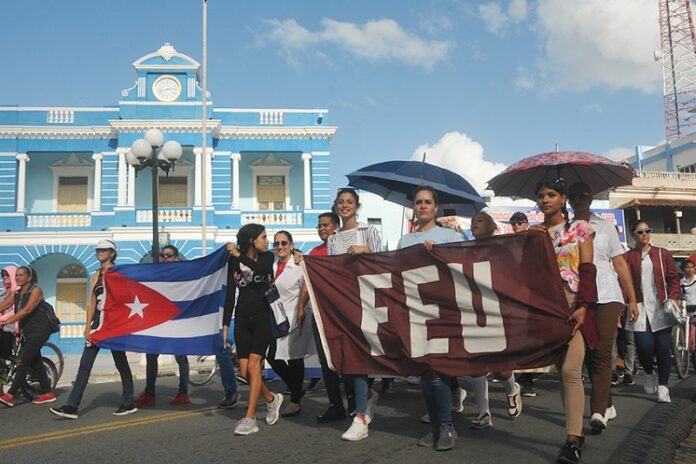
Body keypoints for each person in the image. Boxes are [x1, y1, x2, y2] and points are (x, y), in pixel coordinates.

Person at [533, 177, 596, 464]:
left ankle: (572, 441)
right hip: (548, 309)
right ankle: (575, 430)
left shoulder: (580, 229)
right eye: (541, 196)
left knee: (572, 370)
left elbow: (588, 269)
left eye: (551, 194)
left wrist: (583, 306)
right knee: (562, 372)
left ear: (563, 199)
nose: (544, 200)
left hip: (575, 306)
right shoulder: (534, 235)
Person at [568, 182, 639, 432]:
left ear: (591, 197)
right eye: (574, 195)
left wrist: (631, 299)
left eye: (583, 195)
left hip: (608, 295)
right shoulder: (565, 229)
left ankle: (597, 412)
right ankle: (607, 402)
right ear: (568, 199)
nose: (579, 199)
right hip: (578, 297)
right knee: (587, 351)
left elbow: (619, 264)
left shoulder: (605, 226)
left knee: (603, 350)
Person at [398, 186, 462, 451]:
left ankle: (446, 426)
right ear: (414, 207)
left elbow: (464, 268)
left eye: (427, 202)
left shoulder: (450, 236)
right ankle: (437, 426)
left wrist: (442, 254)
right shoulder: (404, 240)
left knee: (437, 373)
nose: (422, 206)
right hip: (415, 312)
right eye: (418, 202)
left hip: (443, 312)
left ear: (436, 207)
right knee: (425, 374)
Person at [50, 240, 137, 419]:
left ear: (112, 253)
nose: (99, 252)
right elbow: (91, 301)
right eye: (98, 250)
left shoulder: (119, 273)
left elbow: (125, 300)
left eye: (104, 250)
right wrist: (87, 325)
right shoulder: (96, 274)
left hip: (114, 327)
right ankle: (72, 406)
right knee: (84, 365)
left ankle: (128, 402)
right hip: (98, 326)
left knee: (120, 363)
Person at [328, 188, 381, 442]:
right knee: (345, 358)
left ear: (357, 206)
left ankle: (360, 416)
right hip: (341, 303)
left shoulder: (369, 231)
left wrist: (366, 251)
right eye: (341, 202)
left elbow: (383, 264)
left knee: (359, 357)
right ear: (336, 207)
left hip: (365, 300)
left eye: (350, 202)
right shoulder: (332, 238)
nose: (345, 205)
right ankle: (368, 396)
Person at [226, 224, 283, 436]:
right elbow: (230, 294)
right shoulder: (234, 261)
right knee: (244, 372)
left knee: (253, 366)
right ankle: (271, 399)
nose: (267, 241)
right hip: (242, 318)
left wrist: (239, 254)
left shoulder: (267, 258)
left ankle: (250, 419)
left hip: (263, 317)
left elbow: (261, 271)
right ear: (252, 239)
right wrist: (225, 325)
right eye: (264, 237)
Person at [468, 212, 522, 429]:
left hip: (499, 312)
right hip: (472, 310)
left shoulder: (502, 250)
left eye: (480, 221)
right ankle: (483, 412)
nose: (474, 223)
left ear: (491, 227)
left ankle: (511, 389)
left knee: (500, 368)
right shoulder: (463, 250)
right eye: (473, 221)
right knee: (476, 362)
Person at [623, 220, 680, 403]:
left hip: (660, 308)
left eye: (647, 231)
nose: (644, 235)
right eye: (640, 232)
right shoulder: (627, 257)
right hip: (638, 308)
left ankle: (663, 386)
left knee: (663, 348)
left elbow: (673, 279)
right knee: (644, 346)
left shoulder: (662, 254)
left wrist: (672, 296)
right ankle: (648, 372)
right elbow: (623, 282)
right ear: (633, 235)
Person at [297, 212, 347, 423]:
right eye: (319, 226)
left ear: (336, 227)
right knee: (327, 360)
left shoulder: (344, 249)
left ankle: (358, 403)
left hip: (343, 313)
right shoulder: (313, 253)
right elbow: (307, 283)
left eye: (326, 225)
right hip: (320, 314)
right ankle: (336, 404)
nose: (321, 229)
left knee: (347, 357)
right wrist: (301, 306)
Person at [134, 245, 191, 407]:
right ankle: (149, 393)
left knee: (181, 357)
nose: (166, 258)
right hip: (159, 322)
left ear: (177, 258)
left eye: (170, 255)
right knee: (151, 356)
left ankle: (183, 393)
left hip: (177, 322)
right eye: (164, 256)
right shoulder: (157, 273)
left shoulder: (183, 275)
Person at [267, 230, 315, 417]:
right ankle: (296, 387)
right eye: (276, 243)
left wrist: (302, 307)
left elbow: (307, 286)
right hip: (277, 318)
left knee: (295, 358)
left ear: (292, 245)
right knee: (272, 356)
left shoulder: (299, 265)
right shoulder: (271, 267)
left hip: (296, 316)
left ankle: (295, 400)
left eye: (284, 243)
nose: (280, 247)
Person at [0, 266, 57, 407]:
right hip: (27, 332)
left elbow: (27, 310)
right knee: (35, 361)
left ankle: (10, 395)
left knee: (23, 360)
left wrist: (7, 321)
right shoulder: (16, 293)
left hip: (40, 331)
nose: (18, 277)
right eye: (17, 275)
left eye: (21, 275)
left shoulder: (36, 290)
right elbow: (3, 305)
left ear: (29, 277)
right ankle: (48, 392)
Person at [0, 267, 18, 360]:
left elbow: (14, 312)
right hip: (3, 326)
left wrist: (2, 320)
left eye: (7, 275)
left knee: (4, 351)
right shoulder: (3, 292)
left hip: (11, 326)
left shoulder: (18, 291)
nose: (5, 277)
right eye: (3, 276)